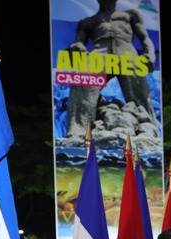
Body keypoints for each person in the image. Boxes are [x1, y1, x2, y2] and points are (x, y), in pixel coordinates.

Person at [64, 0, 158, 140]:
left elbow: (144, 37)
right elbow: (79, 43)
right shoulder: (87, 22)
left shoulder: (130, 15)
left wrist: (150, 54)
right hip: (99, 51)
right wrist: (76, 46)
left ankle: (148, 129)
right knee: (82, 79)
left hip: (126, 50)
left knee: (139, 91)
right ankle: (79, 130)